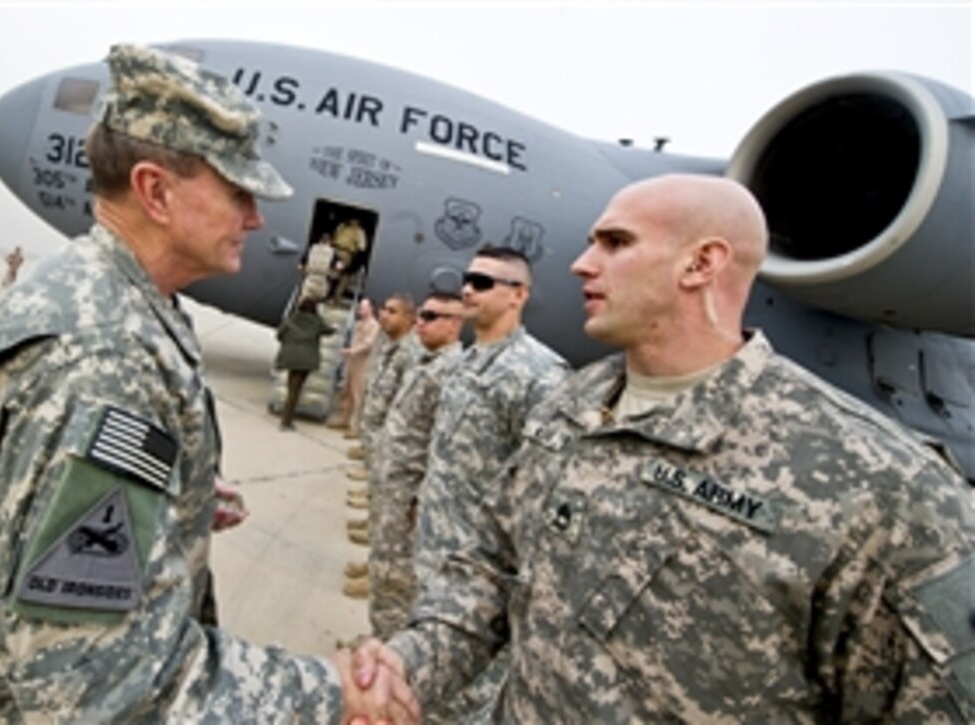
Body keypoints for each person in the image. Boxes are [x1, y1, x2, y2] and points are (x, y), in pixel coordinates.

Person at [0, 44, 417, 723]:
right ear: (155, 190)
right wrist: (332, 692)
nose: (256, 217)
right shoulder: (99, 358)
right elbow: (97, 689)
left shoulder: (117, 301)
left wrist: (176, 495)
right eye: (238, 191)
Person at [353, 174, 974, 721]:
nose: (580, 263)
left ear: (702, 263)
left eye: (615, 243)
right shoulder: (572, 407)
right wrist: (405, 670)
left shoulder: (881, 485)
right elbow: (489, 571)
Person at [417, 244, 569, 722]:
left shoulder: (540, 376)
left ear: (518, 295)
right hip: (435, 555)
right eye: (467, 278)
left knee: (466, 699)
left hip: (480, 579)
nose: (467, 289)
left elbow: (543, 491)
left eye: (483, 283)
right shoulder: (465, 361)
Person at [367, 292, 465, 639]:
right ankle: (381, 636)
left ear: (455, 325)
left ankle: (389, 649)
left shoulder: (451, 373)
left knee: (397, 577)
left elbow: (443, 443)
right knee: (384, 568)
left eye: (431, 317)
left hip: (407, 493)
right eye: (421, 315)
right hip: (392, 483)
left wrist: (420, 496)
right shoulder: (427, 361)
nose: (419, 322)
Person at [343, 293, 418, 598]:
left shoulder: (410, 353)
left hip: (396, 445)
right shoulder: (390, 344)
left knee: (392, 525)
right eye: (383, 310)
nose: (383, 315)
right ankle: (372, 563)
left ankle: (377, 578)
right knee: (378, 504)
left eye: (392, 311)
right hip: (379, 437)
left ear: (409, 318)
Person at [275, 297, 335, 430]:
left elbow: (279, 335)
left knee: (292, 389)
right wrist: (319, 317)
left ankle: (286, 420)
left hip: (290, 358)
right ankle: (286, 422)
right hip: (306, 360)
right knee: (295, 391)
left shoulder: (291, 319)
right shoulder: (316, 322)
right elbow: (330, 331)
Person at [329, 297, 380, 438]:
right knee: (346, 391)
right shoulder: (358, 324)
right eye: (360, 307)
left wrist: (352, 351)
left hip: (363, 363)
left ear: (371, 309)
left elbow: (368, 344)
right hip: (352, 362)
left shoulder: (374, 326)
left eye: (363, 307)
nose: (360, 310)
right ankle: (343, 419)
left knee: (358, 395)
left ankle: (356, 427)